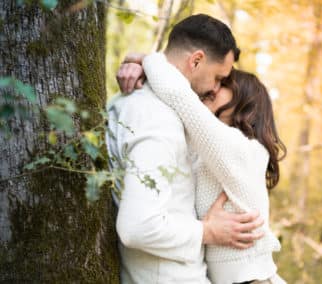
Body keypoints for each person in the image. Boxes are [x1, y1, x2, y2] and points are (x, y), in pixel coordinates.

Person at [106, 14, 266, 284]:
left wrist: (146, 61)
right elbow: (136, 227)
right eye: (217, 77)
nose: (216, 87)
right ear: (196, 61)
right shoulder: (158, 120)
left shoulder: (128, 101)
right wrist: (208, 231)